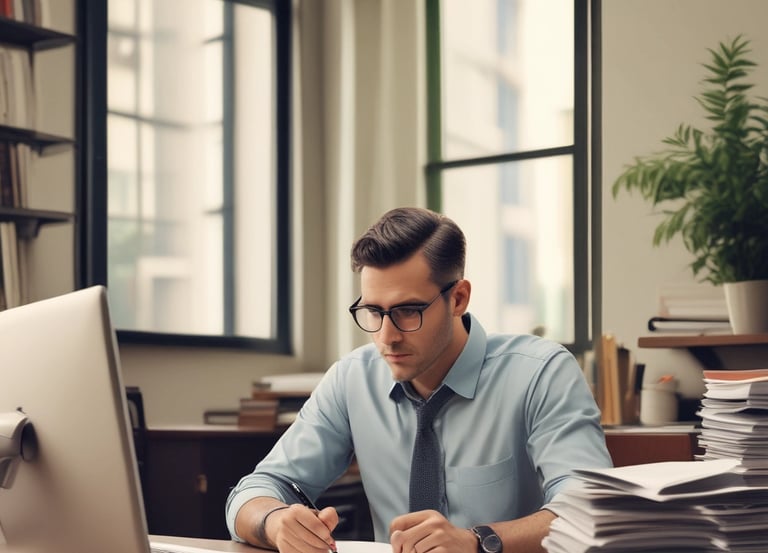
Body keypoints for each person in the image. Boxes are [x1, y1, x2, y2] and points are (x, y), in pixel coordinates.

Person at [226, 207, 612, 553]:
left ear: (458, 298)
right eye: (373, 311)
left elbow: (588, 510)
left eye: (408, 311)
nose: (386, 336)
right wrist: (275, 523)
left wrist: (477, 542)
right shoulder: (351, 379)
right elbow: (255, 491)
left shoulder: (541, 373)